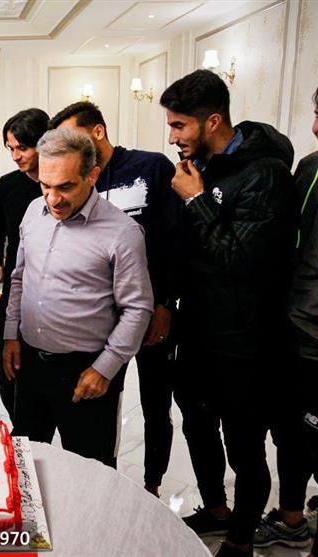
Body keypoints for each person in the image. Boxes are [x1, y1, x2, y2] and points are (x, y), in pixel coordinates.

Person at [160, 70, 297, 557]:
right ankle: (216, 510)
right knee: (197, 426)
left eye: (179, 125)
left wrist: (196, 201)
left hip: (245, 340)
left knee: (244, 445)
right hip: (197, 330)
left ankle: (240, 541)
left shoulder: (266, 174)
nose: (172, 137)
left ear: (213, 120)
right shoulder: (197, 167)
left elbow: (241, 260)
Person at [51, 101, 180, 496]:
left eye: (73, 135)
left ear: (98, 131)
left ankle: (152, 485)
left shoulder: (151, 167)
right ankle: (104, 484)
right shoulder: (75, 180)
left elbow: (175, 240)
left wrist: (164, 304)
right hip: (101, 320)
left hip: (149, 311)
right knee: (101, 402)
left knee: (156, 403)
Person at [4, 128, 153, 467]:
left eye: (66, 187)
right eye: (45, 185)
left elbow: (137, 308)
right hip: (31, 364)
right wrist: (12, 334)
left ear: (92, 176)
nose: (53, 199)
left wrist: (105, 369)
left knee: (90, 470)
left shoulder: (122, 233)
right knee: (25, 461)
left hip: (85, 370)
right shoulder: (33, 212)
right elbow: (19, 277)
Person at [253, 85, 318, 552]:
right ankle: (292, 516)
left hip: (313, 334)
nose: (314, 127)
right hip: (293, 327)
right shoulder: (310, 167)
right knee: (291, 430)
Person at [0, 108, 48, 419]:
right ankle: (21, 427)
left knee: (36, 375)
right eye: (10, 148)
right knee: (6, 375)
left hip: (49, 295)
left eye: (22, 147)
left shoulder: (59, 185)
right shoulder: (7, 186)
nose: (15, 156)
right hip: (12, 292)